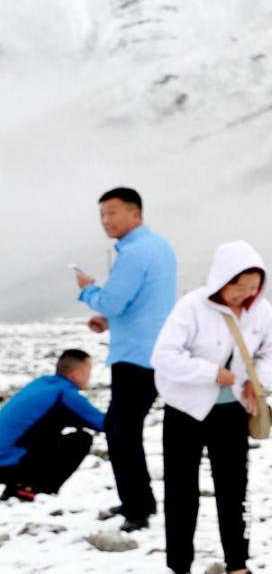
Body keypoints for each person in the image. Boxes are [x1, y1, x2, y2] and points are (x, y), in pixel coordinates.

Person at [151, 241, 272, 574]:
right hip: (186, 410)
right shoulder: (192, 307)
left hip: (231, 412)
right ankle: (180, 568)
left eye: (252, 287)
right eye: (237, 286)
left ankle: (238, 567)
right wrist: (210, 373)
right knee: (181, 491)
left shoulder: (260, 312)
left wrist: (257, 382)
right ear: (220, 280)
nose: (244, 294)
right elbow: (164, 356)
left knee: (234, 489)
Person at [72, 187, 177, 532]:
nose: (106, 220)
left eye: (113, 212)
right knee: (125, 429)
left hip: (135, 356)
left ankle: (138, 509)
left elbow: (114, 301)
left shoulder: (134, 253)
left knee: (121, 431)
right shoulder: (160, 246)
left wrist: (88, 289)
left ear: (135, 213)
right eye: (102, 214)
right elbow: (140, 302)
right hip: (154, 351)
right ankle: (139, 501)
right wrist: (108, 319)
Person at [1, 350, 107, 500]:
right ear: (76, 374)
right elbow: (104, 424)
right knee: (80, 440)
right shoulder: (63, 393)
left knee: (47, 430)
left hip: (6, 456)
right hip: (8, 462)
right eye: (88, 372)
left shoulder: (42, 383)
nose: (90, 377)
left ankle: (19, 486)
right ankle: (30, 489)